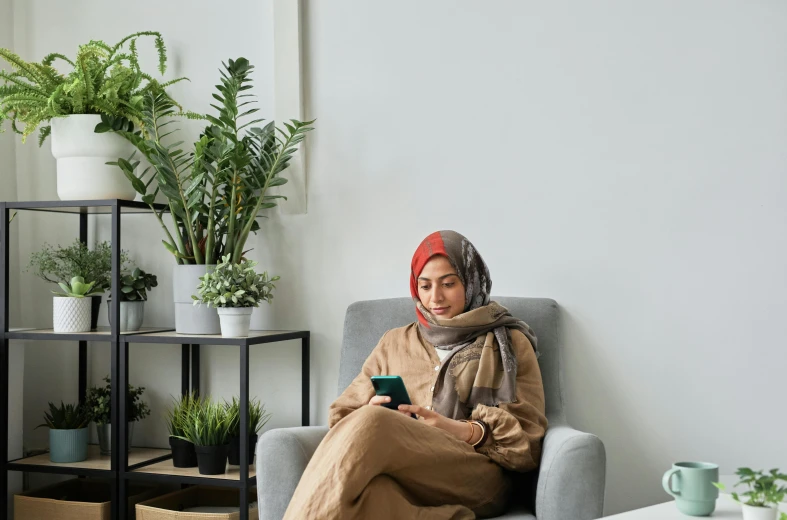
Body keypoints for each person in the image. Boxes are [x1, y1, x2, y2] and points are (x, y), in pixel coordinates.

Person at [283, 230, 548, 519]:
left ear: (472, 282)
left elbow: (527, 441)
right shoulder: (394, 342)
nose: (435, 297)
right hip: (404, 475)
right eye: (425, 286)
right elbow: (343, 417)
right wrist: (372, 412)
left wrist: (454, 429)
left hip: (478, 476)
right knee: (368, 494)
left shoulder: (509, 341)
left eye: (448, 283)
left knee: (374, 423)